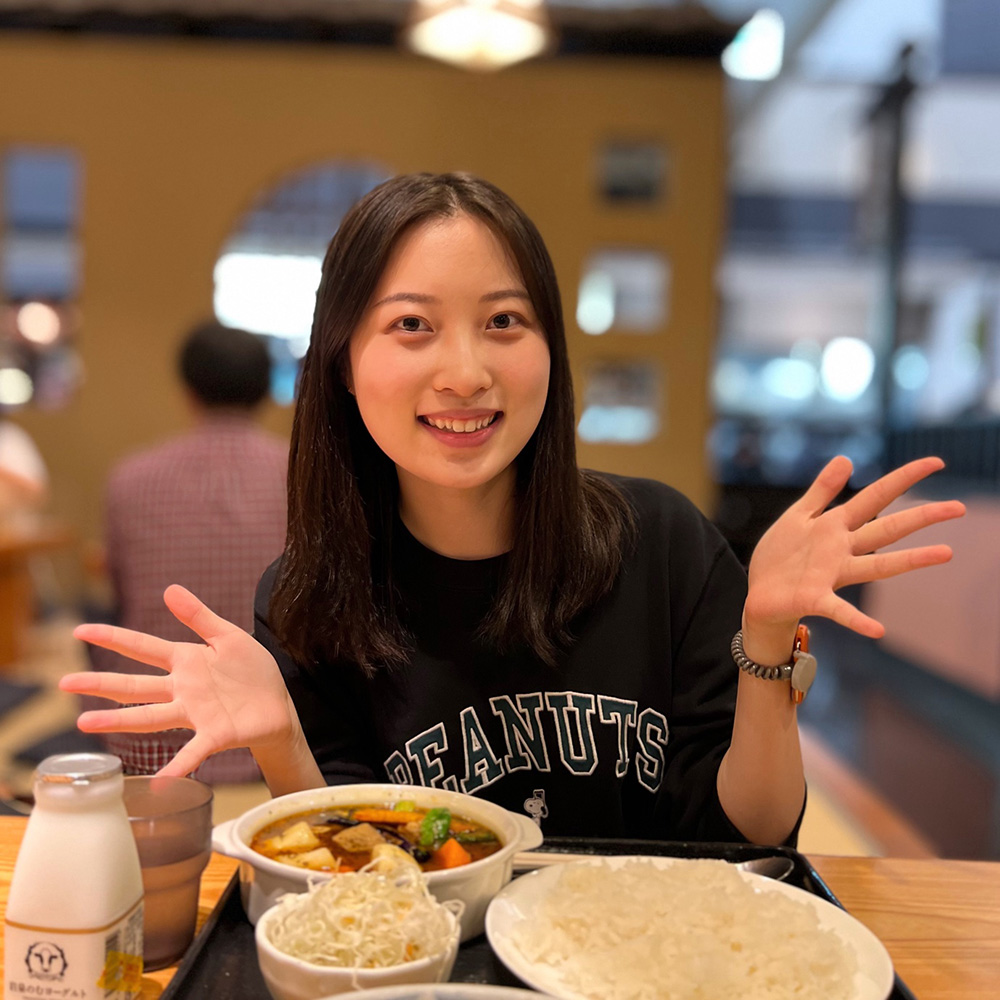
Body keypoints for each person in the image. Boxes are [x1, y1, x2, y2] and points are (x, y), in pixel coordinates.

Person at [60, 174, 964, 844]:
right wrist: (282, 741)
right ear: (342, 363)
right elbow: (366, 897)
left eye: (503, 322)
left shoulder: (665, 544)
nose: (465, 373)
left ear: (550, 352)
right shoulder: (310, 596)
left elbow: (755, 833)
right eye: (411, 325)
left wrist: (764, 641)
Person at [85, 321, 287, 783]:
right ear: (265, 392)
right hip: (275, 737)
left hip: (146, 738)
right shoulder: (300, 475)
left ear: (188, 390)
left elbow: (118, 597)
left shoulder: (130, 479)